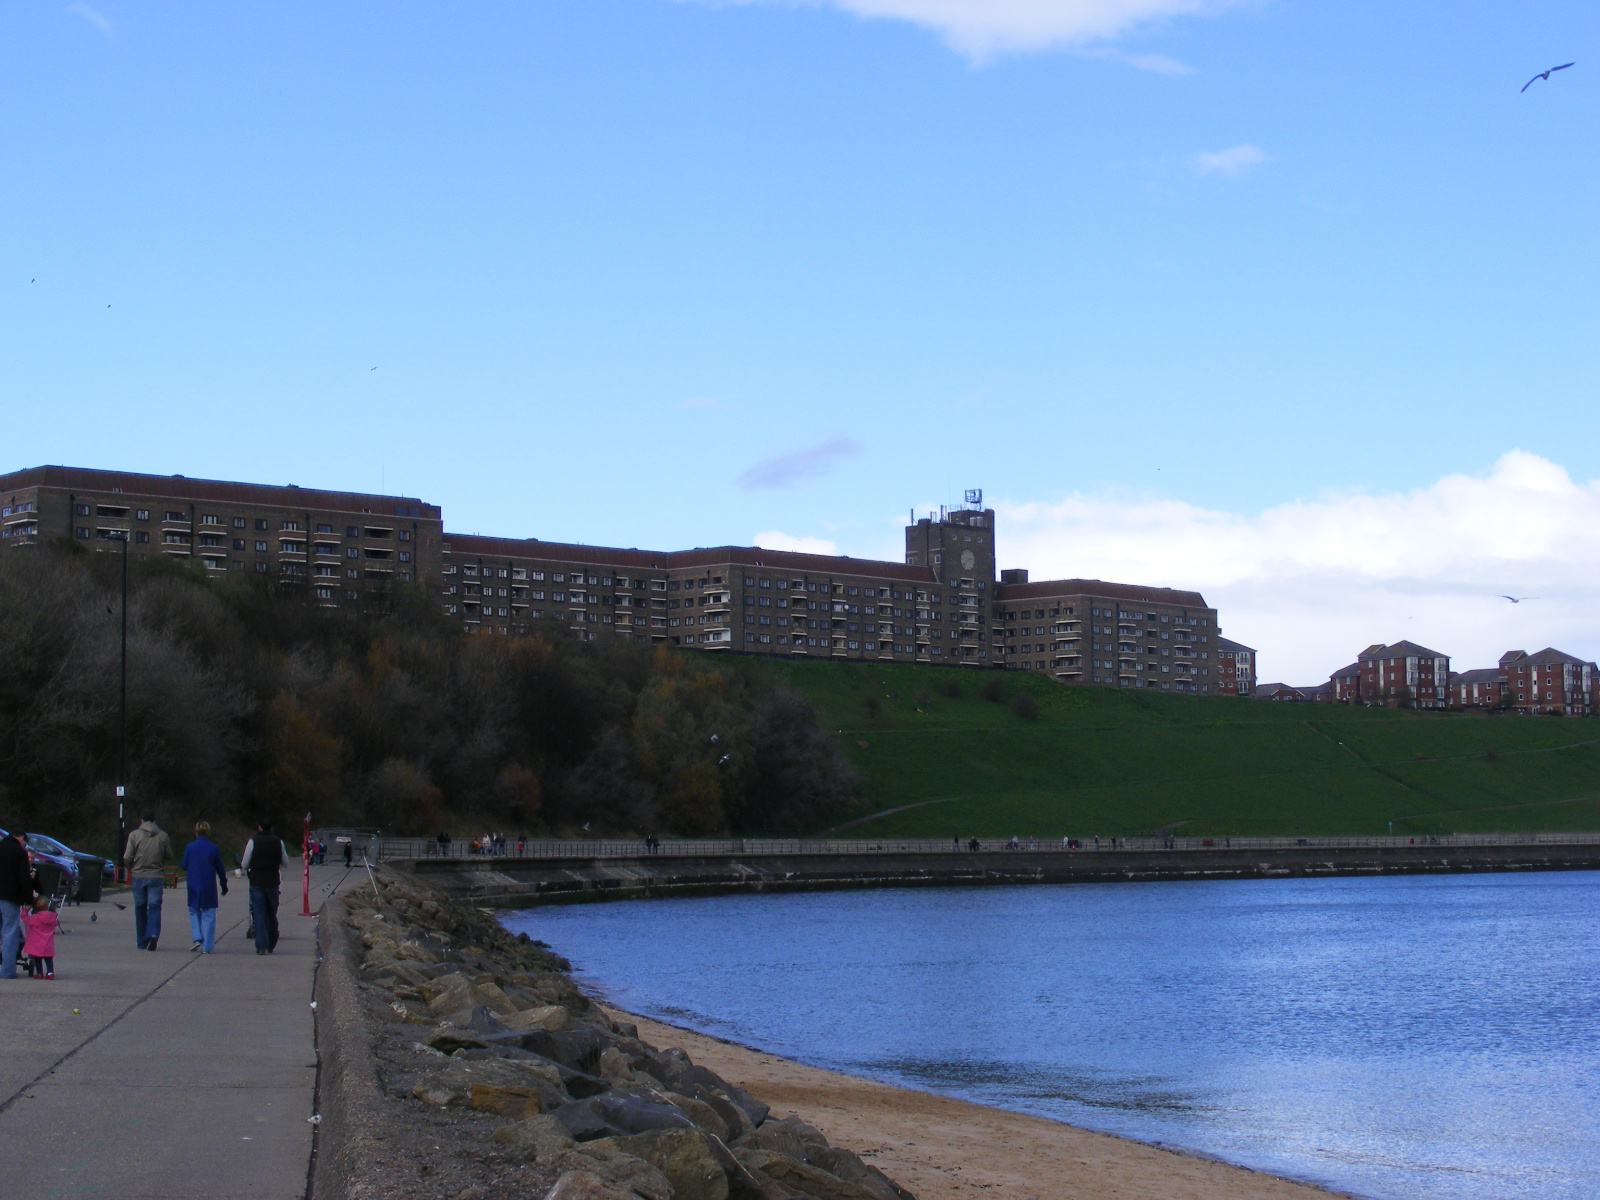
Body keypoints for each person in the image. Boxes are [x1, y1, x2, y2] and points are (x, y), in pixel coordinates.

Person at [124, 811, 173, 951]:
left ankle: (141, 941)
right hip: (156, 875)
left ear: (142, 821)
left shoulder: (134, 835)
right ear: (155, 821)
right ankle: (153, 934)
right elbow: (169, 854)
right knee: (154, 906)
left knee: (140, 907)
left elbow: (127, 856)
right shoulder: (163, 836)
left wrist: (132, 868)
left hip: (138, 875)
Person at [180, 822, 228, 953]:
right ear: (208, 833)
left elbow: (183, 865)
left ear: (195, 833)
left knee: (194, 911)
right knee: (209, 914)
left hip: (193, 884)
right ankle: (207, 946)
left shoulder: (190, 847)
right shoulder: (213, 848)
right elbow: (220, 869)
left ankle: (197, 936)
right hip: (208, 885)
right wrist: (224, 884)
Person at [240, 820, 285, 955]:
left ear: (259, 828)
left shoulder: (253, 842)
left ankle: (261, 946)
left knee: (258, 913)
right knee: (271, 913)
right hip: (272, 881)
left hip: (257, 881)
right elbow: (285, 862)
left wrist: (252, 867)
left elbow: (245, 863)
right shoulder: (279, 842)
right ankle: (271, 942)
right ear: (272, 827)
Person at [0, 828, 36, 980]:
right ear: (21, 838)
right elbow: (24, 879)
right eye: (25, 844)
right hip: (10, 896)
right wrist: (28, 899)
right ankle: (7, 971)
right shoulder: (18, 853)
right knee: (10, 931)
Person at [22, 896, 58, 979]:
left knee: (38, 960)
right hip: (48, 944)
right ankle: (50, 973)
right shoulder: (52, 918)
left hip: (37, 944)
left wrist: (25, 911)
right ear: (47, 906)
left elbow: (25, 919)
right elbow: (55, 924)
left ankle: (39, 973)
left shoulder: (35, 918)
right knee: (49, 960)